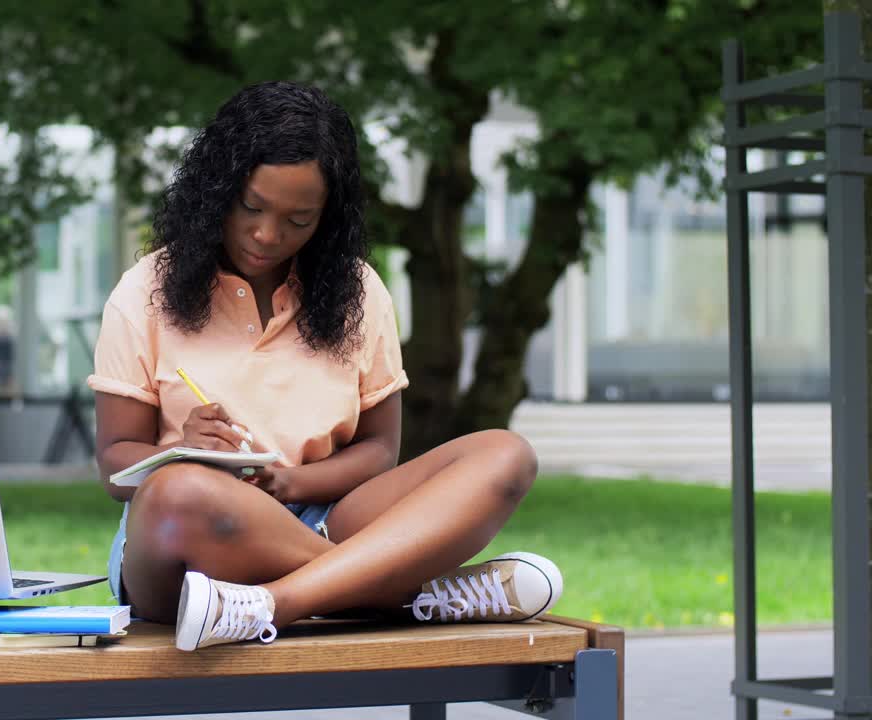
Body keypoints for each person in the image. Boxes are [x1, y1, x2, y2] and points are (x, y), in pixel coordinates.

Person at [87, 81, 562, 652]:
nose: (267, 235)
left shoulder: (358, 292)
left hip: (325, 516)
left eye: (298, 219)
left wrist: (289, 481)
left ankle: (278, 603)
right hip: (191, 541)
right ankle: (410, 594)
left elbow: (380, 451)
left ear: (328, 217)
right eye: (252, 207)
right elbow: (116, 464)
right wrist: (183, 449)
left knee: (504, 454)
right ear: (218, 189)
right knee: (176, 492)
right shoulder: (145, 292)